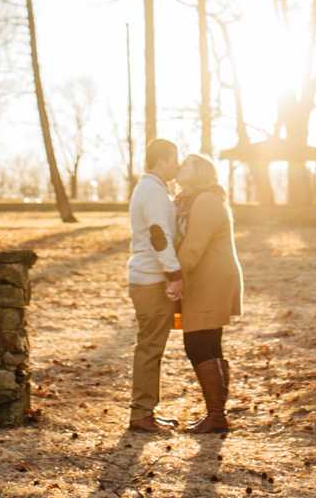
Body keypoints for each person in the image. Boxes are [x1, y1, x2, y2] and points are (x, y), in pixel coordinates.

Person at [174, 152, 244, 434]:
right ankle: (217, 415)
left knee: (198, 344)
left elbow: (194, 246)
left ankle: (216, 415)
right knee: (209, 343)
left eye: (187, 164)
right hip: (205, 278)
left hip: (209, 279)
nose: (180, 166)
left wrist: (173, 275)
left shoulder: (206, 201)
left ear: (201, 171)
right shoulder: (194, 199)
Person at [126, 138, 185, 433]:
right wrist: (174, 274)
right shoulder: (153, 192)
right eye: (174, 160)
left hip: (147, 277)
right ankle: (141, 414)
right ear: (161, 160)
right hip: (150, 280)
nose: (177, 165)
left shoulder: (153, 189)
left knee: (151, 345)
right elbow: (159, 235)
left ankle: (146, 410)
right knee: (150, 347)